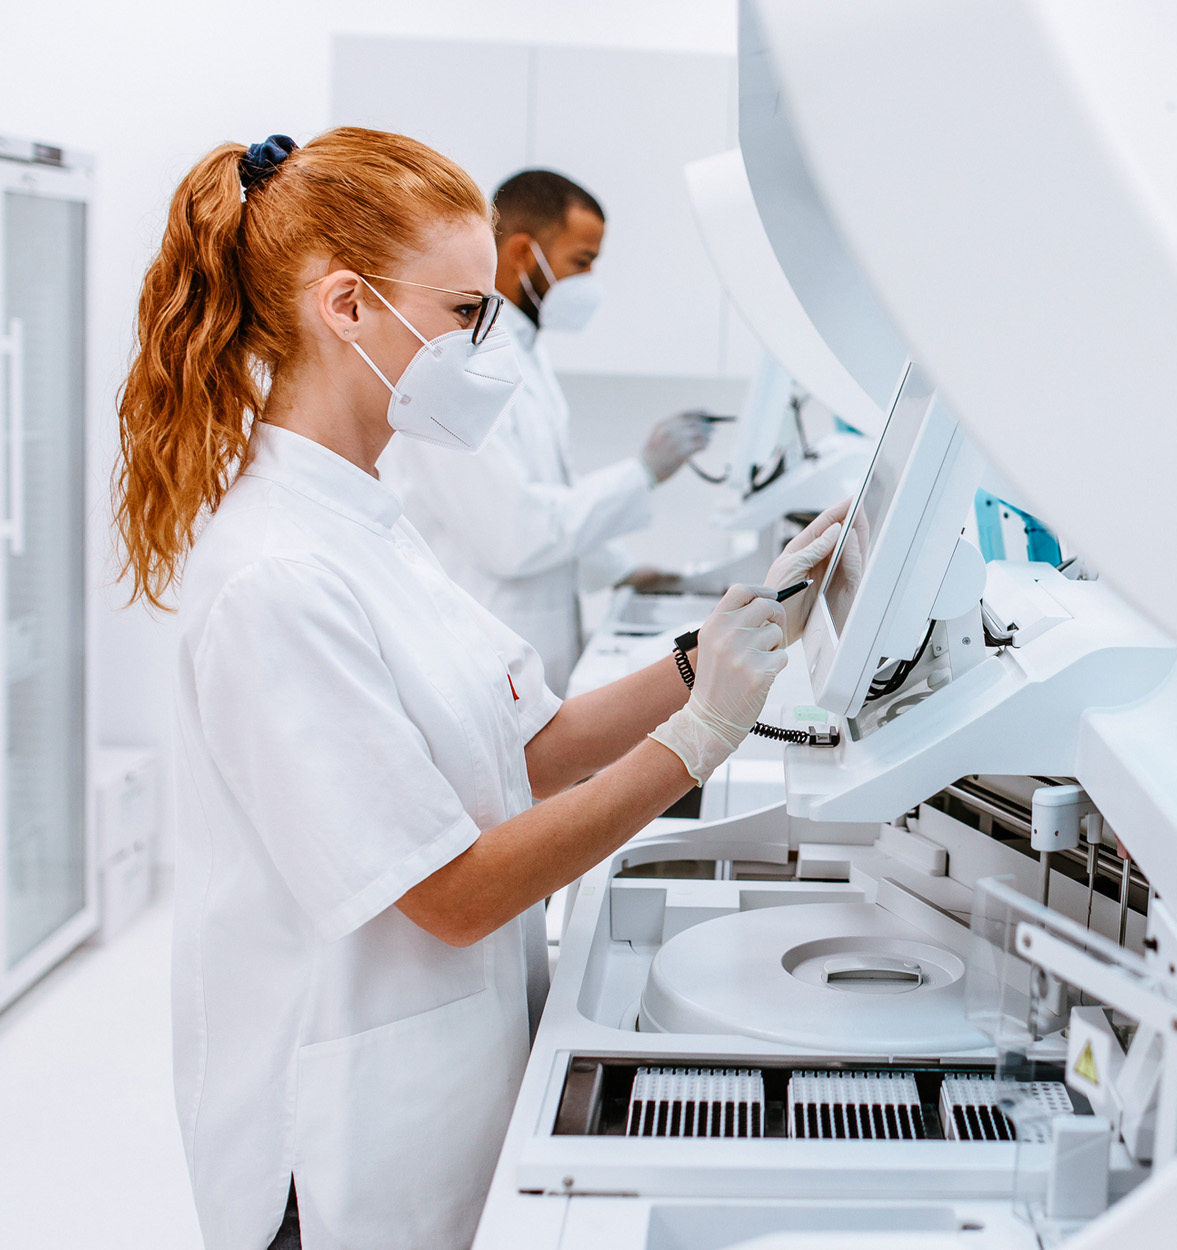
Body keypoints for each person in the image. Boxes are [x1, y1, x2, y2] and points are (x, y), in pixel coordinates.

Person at [113, 129, 844, 1250]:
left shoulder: (363, 514)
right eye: (464, 314)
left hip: (439, 1082)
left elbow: (532, 742)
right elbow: (451, 894)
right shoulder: (277, 577)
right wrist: (695, 742)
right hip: (342, 1151)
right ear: (347, 306)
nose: (487, 345)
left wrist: (720, 641)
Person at [381, 168, 714, 694]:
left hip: (532, 654)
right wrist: (642, 473)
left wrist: (620, 571)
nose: (589, 283)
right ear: (522, 254)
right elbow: (514, 533)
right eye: (580, 263)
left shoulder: (527, 353)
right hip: (481, 661)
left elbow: (553, 497)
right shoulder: (460, 362)